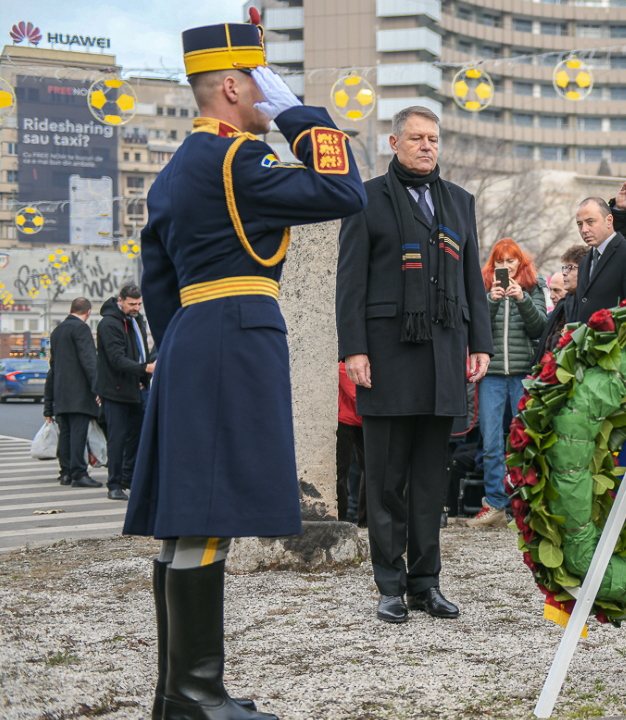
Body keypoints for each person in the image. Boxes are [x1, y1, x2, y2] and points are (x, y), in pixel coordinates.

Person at [122, 18, 367, 720]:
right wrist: (297, 117)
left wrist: (186, 354)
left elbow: (159, 282)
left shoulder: (174, 171)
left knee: (189, 521)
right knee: (205, 515)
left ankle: (179, 693)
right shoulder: (234, 162)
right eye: (257, 81)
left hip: (196, 338)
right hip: (235, 333)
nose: (263, 92)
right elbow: (346, 192)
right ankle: (197, 695)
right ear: (233, 85)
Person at [336, 104, 492, 625]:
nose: (428, 146)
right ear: (394, 142)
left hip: (444, 356)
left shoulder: (460, 202)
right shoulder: (366, 198)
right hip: (385, 357)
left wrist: (481, 344)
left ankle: (427, 584)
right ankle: (389, 584)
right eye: (418, 138)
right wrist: (353, 349)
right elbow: (350, 281)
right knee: (383, 481)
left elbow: (472, 278)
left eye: (434, 138)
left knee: (430, 482)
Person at [468, 238, 547, 529]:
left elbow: (540, 327)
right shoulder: (484, 287)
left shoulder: (533, 285)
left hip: (523, 374)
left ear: (520, 263)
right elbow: (476, 328)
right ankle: (496, 505)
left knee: (525, 441)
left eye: (510, 261)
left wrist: (521, 299)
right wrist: (491, 299)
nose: (505, 267)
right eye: (499, 262)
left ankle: (526, 506)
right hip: (491, 374)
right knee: (490, 442)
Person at [93, 285, 155, 501]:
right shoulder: (109, 324)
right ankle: (114, 484)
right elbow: (116, 359)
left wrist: (141, 377)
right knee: (117, 439)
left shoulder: (136, 319)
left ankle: (128, 478)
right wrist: (146, 369)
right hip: (115, 391)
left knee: (137, 437)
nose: (136, 307)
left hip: (134, 388)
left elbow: (139, 352)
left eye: (139, 304)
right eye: (131, 304)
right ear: (120, 301)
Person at [44, 297, 99, 489]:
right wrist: (97, 387)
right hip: (79, 393)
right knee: (78, 434)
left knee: (66, 433)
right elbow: (89, 361)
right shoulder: (81, 329)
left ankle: (66, 472)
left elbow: (53, 365)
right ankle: (79, 473)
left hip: (61, 392)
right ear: (88, 312)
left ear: (71, 309)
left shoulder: (57, 331)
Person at [572, 197, 626, 323]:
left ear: (609, 220)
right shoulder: (584, 263)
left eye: (590, 222)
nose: (584, 230)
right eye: (580, 224)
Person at [536, 244, 591, 359]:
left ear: (586, 270)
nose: (564, 272)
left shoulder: (594, 302)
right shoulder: (564, 306)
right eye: (565, 268)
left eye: (570, 268)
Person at [337, 361, 366, 526]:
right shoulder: (345, 362)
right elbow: (355, 393)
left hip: (366, 419)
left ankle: (367, 521)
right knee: (340, 472)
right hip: (345, 419)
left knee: (372, 473)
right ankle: (339, 520)